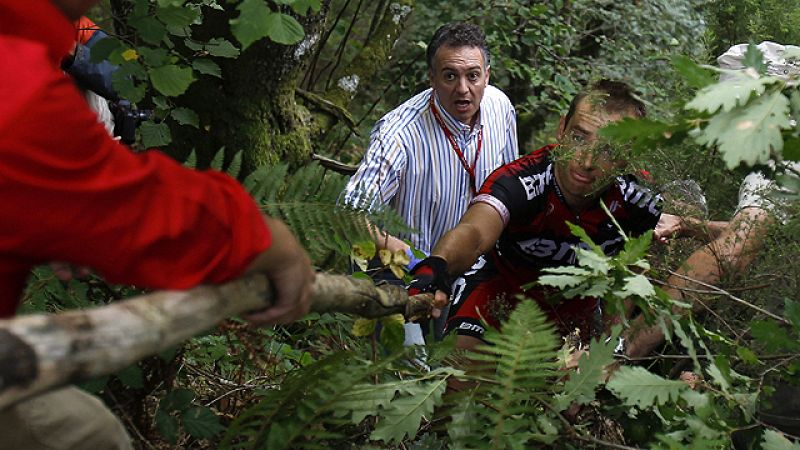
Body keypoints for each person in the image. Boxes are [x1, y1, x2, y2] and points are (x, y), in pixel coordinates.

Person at [0, 0, 315, 448]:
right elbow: (141, 212)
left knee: (82, 428)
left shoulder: (34, 43)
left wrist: (53, 213)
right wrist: (269, 240)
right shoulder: (18, 84)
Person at [407, 80, 662, 354]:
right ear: (562, 129)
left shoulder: (637, 200)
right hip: (499, 293)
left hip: (575, 314)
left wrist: (612, 342)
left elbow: (634, 271)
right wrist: (438, 266)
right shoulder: (521, 180)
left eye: (609, 151)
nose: (587, 161)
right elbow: (475, 232)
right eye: (579, 137)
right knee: (463, 370)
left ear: (628, 157)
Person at [342, 22, 518, 341]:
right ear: (432, 78)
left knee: (460, 371)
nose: (463, 89)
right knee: (411, 372)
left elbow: (510, 190)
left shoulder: (500, 109)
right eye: (450, 76)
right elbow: (349, 212)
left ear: (487, 76)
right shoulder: (399, 135)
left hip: (464, 265)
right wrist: (397, 250)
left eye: (473, 76)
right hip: (399, 269)